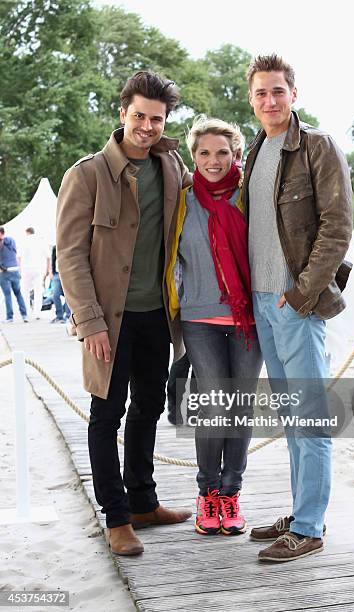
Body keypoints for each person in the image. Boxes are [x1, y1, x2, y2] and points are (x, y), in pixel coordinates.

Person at [57, 70, 193, 557]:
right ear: (122, 113)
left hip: (157, 315)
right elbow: (69, 255)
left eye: (156, 119)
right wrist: (89, 320)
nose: (148, 126)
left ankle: (142, 502)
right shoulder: (87, 174)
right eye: (139, 116)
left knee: (149, 407)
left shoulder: (173, 167)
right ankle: (116, 518)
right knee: (105, 414)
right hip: (107, 321)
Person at [243, 55, 353, 561]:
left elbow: (336, 226)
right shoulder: (257, 152)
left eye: (278, 91)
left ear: (294, 94)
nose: (271, 100)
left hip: (297, 304)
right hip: (263, 304)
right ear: (252, 99)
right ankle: (300, 511)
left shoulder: (317, 146)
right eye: (262, 92)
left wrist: (301, 294)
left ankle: (309, 526)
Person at [166, 116, 263, 536]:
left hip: (249, 319)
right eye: (204, 152)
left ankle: (231, 495)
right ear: (193, 157)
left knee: (239, 408)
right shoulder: (183, 200)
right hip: (199, 319)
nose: (213, 160)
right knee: (214, 405)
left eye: (222, 152)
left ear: (236, 155)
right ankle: (207, 493)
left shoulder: (251, 197)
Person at [20, 227, 50, 319]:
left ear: (27, 232)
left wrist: (20, 270)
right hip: (38, 268)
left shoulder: (24, 241)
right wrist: (48, 269)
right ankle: (37, 312)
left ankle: (27, 312)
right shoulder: (40, 241)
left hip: (26, 268)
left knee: (25, 291)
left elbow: (19, 256)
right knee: (38, 290)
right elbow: (48, 256)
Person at [0, 226, 28, 323]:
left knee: (7, 295)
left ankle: (10, 317)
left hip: (5, 272)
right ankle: (25, 315)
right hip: (15, 270)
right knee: (18, 293)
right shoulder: (11, 240)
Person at [49, 245, 71, 323]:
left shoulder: (70, 245)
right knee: (55, 294)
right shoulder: (55, 247)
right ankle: (59, 316)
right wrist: (51, 272)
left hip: (68, 274)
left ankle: (68, 316)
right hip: (57, 274)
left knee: (68, 296)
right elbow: (53, 260)